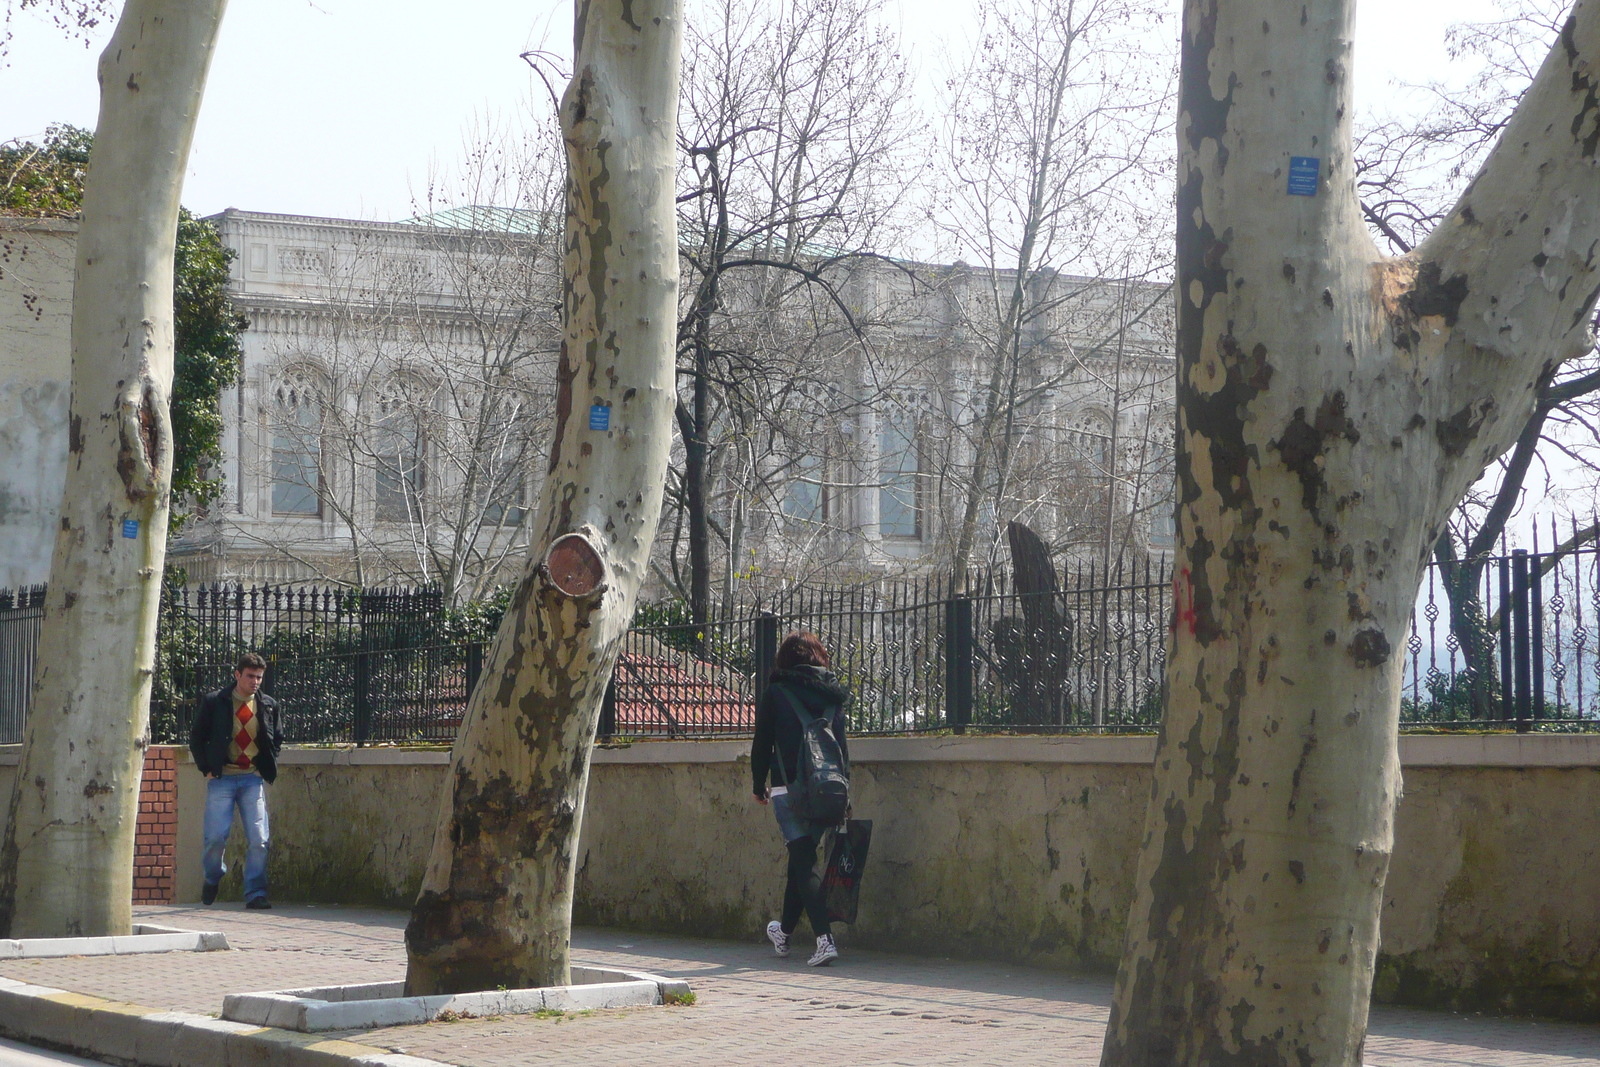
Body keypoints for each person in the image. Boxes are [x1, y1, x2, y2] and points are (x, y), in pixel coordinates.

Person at [750, 631, 851, 967]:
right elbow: (841, 749)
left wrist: (757, 783)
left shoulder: (776, 693)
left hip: (787, 788)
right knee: (801, 862)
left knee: (804, 861)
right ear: (819, 656)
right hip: (826, 789)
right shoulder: (832, 695)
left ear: (785, 660)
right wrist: (844, 790)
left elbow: (762, 743)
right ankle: (784, 932)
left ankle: (824, 940)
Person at [189, 652, 282, 910]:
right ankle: (213, 876)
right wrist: (206, 768)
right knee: (215, 838)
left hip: (252, 779)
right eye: (250, 676)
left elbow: (277, 738)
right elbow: (197, 738)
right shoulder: (215, 702)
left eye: (259, 677)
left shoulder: (268, 704)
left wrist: (266, 766)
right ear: (237, 675)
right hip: (222, 780)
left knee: (259, 839)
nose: (255, 682)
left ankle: (255, 893)